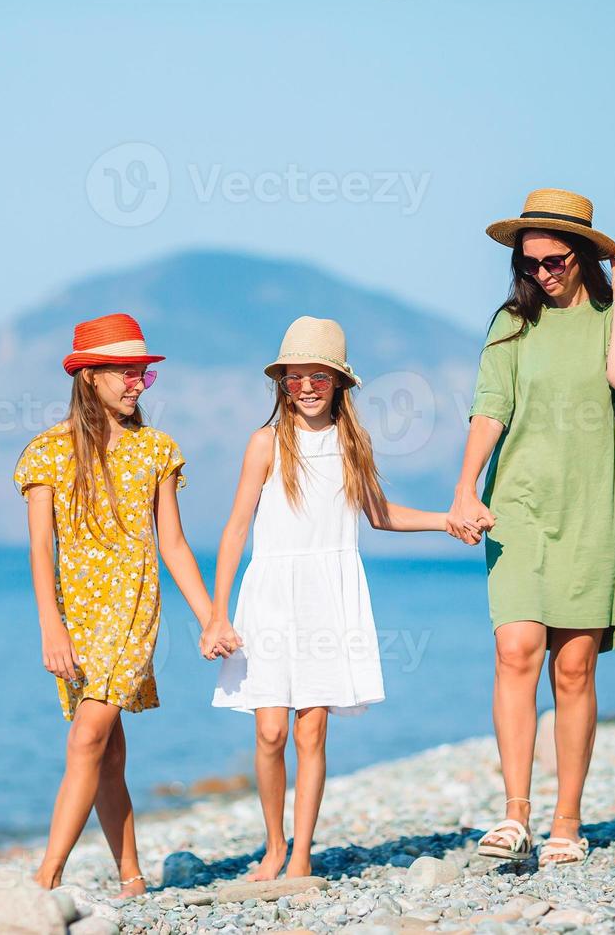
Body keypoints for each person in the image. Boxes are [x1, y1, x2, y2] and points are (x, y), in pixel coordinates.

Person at [444, 189, 615, 867]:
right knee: (516, 651)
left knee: (574, 667)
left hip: (592, 509)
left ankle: (568, 820)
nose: (541, 273)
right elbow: (489, 408)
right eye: (528, 263)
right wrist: (465, 486)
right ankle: (515, 817)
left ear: (585, 254)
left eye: (555, 260)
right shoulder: (509, 323)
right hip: (520, 507)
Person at [211, 316, 451, 880]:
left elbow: (379, 515)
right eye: (296, 378)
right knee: (270, 731)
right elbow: (236, 528)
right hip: (270, 595)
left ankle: (300, 855)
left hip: (327, 595)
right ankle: (273, 844)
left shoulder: (351, 442)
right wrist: (216, 614)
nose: (308, 388)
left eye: (320, 376)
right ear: (283, 384)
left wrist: (448, 521)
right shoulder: (265, 443)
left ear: (339, 382)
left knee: (311, 729)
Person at [14, 312, 240, 896]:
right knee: (108, 751)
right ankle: (132, 877)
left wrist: (211, 616)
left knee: (86, 738)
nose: (137, 381)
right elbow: (40, 546)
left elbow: (173, 544)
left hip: (133, 611)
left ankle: (47, 877)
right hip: (77, 619)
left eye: (144, 372)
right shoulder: (46, 452)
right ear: (89, 376)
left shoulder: (157, 450)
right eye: (126, 370)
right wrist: (51, 627)